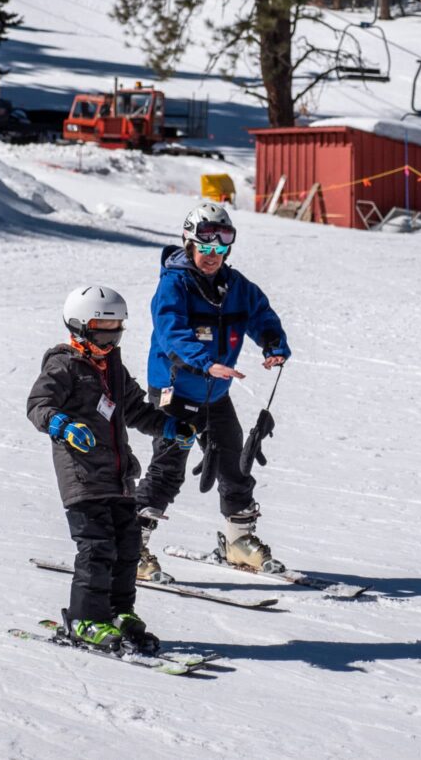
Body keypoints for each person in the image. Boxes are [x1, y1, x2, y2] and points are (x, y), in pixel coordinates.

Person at [26, 285, 195, 653]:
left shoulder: (113, 366)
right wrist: (63, 426)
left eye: (117, 329)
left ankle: (119, 611)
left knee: (128, 546)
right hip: (83, 477)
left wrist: (169, 426)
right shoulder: (63, 364)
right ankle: (85, 617)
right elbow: (38, 405)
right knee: (97, 548)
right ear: (80, 327)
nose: (111, 338)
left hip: (120, 478)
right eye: (104, 330)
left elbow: (134, 408)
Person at [134, 203, 291, 581]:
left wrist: (273, 345)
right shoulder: (174, 284)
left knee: (235, 464)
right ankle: (131, 545)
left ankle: (239, 540)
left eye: (222, 244)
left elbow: (261, 315)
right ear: (189, 243)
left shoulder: (236, 287)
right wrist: (205, 362)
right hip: (177, 392)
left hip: (215, 394)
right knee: (168, 469)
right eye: (205, 244)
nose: (213, 253)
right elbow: (172, 333)